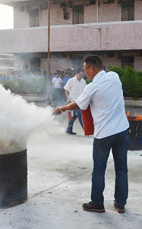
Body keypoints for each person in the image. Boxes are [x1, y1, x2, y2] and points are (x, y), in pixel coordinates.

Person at [54, 55, 129, 213]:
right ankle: (120, 203)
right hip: (122, 130)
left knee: (99, 169)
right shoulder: (114, 76)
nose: (84, 72)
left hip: (104, 134)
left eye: (85, 68)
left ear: (92, 68)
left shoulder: (91, 87)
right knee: (122, 169)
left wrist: (62, 108)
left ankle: (97, 203)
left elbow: (78, 104)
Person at [63, 70, 87, 134]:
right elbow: (66, 89)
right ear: (77, 73)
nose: (81, 76)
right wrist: (67, 98)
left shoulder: (83, 81)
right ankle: (86, 130)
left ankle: (69, 129)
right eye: (80, 75)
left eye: (83, 75)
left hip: (81, 101)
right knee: (80, 114)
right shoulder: (71, 80)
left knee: (74, 116)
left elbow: (85, 91)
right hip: (73, 101)